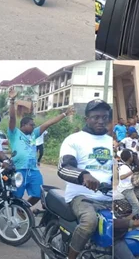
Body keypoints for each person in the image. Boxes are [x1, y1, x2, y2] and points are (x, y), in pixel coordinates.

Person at [57, 99, 113, 259]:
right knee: (89, 222)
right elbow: (63, 168)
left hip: (109, 197)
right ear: (86, 119)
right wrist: (84, 175)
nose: (101, 121)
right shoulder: (74, 139)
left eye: (104, 117)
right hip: (81, 197)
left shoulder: (111, 142)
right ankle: (71, 257)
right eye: (96, 117)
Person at [7, 87, 72, 207]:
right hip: (18, 169)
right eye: (31, 125)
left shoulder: (33, 134)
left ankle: (23, 210)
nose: (34, 126)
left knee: (38, 194)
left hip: (33, 170)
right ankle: (14, 213)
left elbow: (48, 123)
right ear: (23, 125)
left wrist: (64, 114)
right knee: (15, 197)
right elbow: (12, 118)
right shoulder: (14, 133)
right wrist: (12, 100)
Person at [116, 149, 139, 216]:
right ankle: (129, 220)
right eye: (131, 156)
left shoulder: (127, 165)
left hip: (130, 186)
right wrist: (132, 171)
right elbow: (122, 177)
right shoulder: (123, 166)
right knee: (136, 206)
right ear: (130, 158)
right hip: (126, 189)